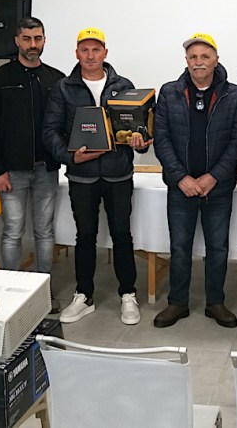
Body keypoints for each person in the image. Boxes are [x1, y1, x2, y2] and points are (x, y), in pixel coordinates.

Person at [44, 27, 150, 326]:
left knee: (122, 235)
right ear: (77, 53)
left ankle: (127, 294)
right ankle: (84, 296)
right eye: (85, 50)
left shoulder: (123, 85)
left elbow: (139, 127)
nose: (90, 55)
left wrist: (140, 142)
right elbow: (50, 130)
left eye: (96, 49)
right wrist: (69, 156)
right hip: (82, 176)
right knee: (85, 236)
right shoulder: (63, 88)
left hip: (118, 174)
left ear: (105, 52)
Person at [152, 33, 237, 329]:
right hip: (181, 188)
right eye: (193, 57)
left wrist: (213, 176)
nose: (199, 62)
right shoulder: (169, 92)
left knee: (218, 248)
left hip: (218, 188)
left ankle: (215, 302)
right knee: (180, 248)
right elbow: (162, 139)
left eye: (205, 56)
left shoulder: (233, 94)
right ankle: (177, 303)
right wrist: (181, 178)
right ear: (186, 61)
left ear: (216, 60)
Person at [0, 17, 65, 297]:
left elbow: (64, 124)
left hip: (47, 169)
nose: (32, 44)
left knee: (45, 231)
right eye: (27, 39)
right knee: (13, 231)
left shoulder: (56, 79)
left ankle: (42, 291)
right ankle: (11, 292)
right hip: (11, 171)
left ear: (44, 40)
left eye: (37, 38)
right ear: (17, 40)